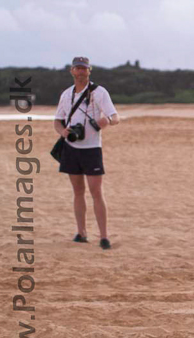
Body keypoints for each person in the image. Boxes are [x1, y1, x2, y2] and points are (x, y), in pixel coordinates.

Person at [53, 57, 120, 250]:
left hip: (92, 149)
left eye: (84, 68)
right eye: (77, 68)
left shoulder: (99, 92)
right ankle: (81, 233)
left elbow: (115, 117)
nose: (81, 71)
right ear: (72, 71)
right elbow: (57, 121)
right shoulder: (66, 95)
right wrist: (63, 132)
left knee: (96, 192)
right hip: (71, 148)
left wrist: (106, 121)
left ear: (89, 70)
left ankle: (104, 236)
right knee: (77, 191)